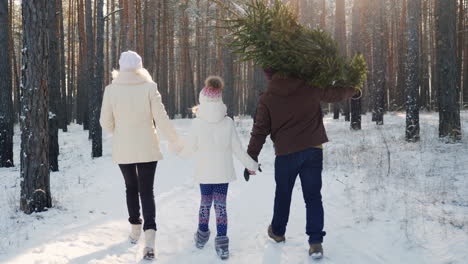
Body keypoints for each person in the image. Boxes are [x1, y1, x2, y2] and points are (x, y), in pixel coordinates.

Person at [245, 70, 357, 259]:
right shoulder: (309, 86)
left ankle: (278, 232)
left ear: (269, 76)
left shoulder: (268, 98)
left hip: (285, 153)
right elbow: (334, 94)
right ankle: (315, 242)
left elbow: (259, 130)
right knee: (313, 197)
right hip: (313, 149)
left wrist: (251, 157)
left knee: (283, 194)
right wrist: (354, 89)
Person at [99, 51, 182, 260]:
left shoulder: (111, 90)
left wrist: (118, 131)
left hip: (123, 146)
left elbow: (105, 122)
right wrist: (174, 139)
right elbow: (161, 117)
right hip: (147, 146)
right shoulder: (149, 87)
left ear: (120, 67)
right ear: (140, 66)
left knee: (130, 187)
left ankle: (135, 228)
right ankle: (150, 239)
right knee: (147, 190)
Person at [178, 76, 259, 260]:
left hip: (205, 174)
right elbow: (238, 150)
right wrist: (251, 165)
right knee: (221, 206)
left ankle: (201, 236)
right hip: (222, 174)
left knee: (205, 203)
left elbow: (188, 150)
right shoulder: (228, 122)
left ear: (203, 98)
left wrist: (177, 150)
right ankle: (222, 244)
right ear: (220, 99)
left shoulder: (197, 123)